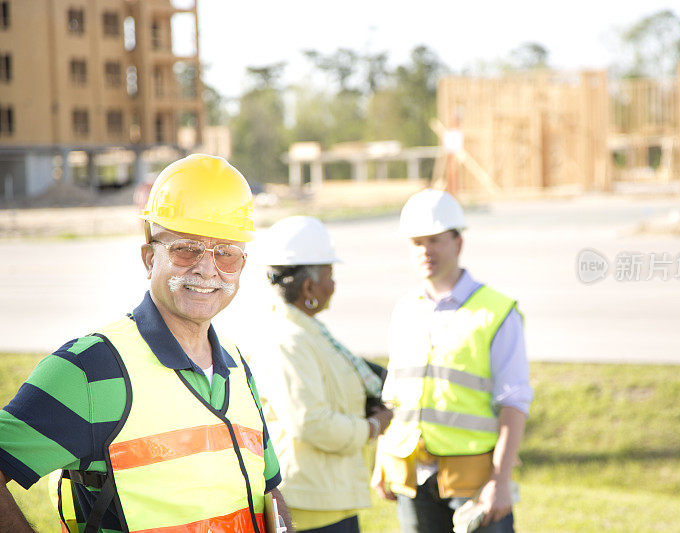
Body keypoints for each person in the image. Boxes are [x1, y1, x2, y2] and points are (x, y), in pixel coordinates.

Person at [0, 154, 289, 532]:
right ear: (150, 258)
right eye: (187, 248)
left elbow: (269, 491)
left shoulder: (235, 364)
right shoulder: (90, 368)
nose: (206, 268)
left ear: (242, 265)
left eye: (226, 253)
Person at [371, 189, 533, 533]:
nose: (425, 251)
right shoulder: (405, 309)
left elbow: (514, 403)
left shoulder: (497, 312)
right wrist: (381, 461)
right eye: (417, 242)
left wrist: (500, 482)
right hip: (412, 477)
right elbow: (394, 397)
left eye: (435, 240)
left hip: (474, 482)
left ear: (458, 242)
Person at [251, 216, 393, 533]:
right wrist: (370, 427)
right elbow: (311, 421)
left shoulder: (308, 332)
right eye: (330, 274)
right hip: (310, 506)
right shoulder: (289, 339)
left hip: (326, 498)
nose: (334, 284)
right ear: (309, 286)